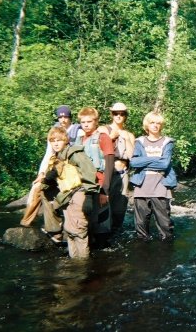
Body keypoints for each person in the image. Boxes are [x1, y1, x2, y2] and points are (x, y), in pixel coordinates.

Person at [21, 105, 82, 227]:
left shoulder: (78, 131)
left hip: (70, 170)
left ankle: (56, 225)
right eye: (60, 117)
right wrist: (41, 173)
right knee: (37, 188)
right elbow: (48, 155)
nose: (63, 120)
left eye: (65, 117)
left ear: (70, 117)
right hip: (56, 168)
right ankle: (27, 221)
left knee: (48, 189)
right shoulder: (54, 132)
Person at [42, 126, 98, 258]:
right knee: (70, 231)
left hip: (79, 193)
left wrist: (89, 195)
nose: (55, 143)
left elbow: (89, 171)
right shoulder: (56, 158)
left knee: (79, 231)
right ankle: (75, 262)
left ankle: (83, 265)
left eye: (59, 140)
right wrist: (48, 180)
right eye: (52, 140)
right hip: (66, 196)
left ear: (66, 140)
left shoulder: (74, 153)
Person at [130, 111, 177, 242]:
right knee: (141, 227)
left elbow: (164, 164)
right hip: (141, 187)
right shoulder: (139, 141)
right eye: (152, 122)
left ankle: (166, 255)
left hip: (161, 187)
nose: (155, 125)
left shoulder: (167, 142)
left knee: (165, 226)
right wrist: (156, 159)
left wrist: (145, 161)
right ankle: (143, 256)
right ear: (147, 125)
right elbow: (134, 162)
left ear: (161, 125)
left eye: (158, 123)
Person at [75, 107, 115, 245]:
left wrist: (105, 190)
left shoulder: (103, 138)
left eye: (89, 121)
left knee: (101, 226)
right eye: (83, 121)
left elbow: (109, 164)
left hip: (99, 186)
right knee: (86, 223)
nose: (86, 124)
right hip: (82, 187)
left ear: (96, 121)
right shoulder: (79, 140)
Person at [105, 102, 135, 232]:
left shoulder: (129, 134)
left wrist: (126, 139)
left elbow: (132, 157)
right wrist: (111, 138)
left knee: (119, 208)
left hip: (122, 173)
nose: (118, 116)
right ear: (111, 114)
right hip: (107, 172)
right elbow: (99, 151)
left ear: (125, 116)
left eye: (121, 114)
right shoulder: (103, 130)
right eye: (115, 113)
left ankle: (116, 232)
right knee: (104, 204)